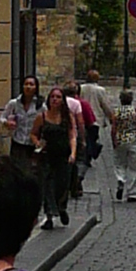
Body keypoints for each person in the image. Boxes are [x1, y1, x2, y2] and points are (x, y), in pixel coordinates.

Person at [31, 84, 76, 228]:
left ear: (63, 100)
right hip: (47, 156)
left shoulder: (67, 117)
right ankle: (49, 216)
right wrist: (37, 142)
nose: (55, 100)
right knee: (47, 185)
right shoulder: (42, 117)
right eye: (52, 97)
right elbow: (33, 133)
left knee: (62, 185)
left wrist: (73, 153)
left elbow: (72, 136)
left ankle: (61, 208)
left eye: (58, 97)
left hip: (63, 155)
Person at [106, 81, 136, 205]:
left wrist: (114, 140)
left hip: (120, 140)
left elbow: (113, 128)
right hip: (133, 140)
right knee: (134, 167)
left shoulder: (116, 112)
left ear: (120, 100)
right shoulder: (135, 111)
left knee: (119, 164)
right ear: (131, 100)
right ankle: (131, 193)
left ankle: (120, 180)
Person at [0, 74, 42, 166]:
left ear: (36, 87)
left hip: (32, 144)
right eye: (26, 84)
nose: (28, 87)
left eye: (31, 84)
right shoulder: (14, 103)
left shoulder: (41, 105)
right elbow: (2, 118)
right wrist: (7, 123)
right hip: (18, 143)